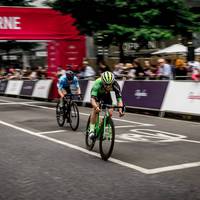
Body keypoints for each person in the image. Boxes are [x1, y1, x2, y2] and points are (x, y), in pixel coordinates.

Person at [89, 71, 124, 140]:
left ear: (112, 82)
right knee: (95, 110)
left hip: (111, 94)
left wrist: (120, 110)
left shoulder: (115, 85)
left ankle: (102, 125)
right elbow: (92, 100)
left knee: (110, 113)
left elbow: (119, 99)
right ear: (102, 82)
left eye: (109, 84)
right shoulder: (97, 83)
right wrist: (96, 107)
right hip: (99, 94)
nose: (108, 86)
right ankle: (92, 130)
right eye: (106, 84)